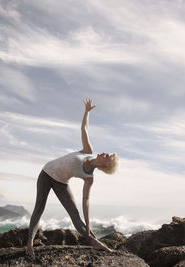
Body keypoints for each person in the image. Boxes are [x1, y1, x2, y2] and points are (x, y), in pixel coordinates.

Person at [26, 98, 119, 257]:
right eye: (108, 153)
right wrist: (87, 112)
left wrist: (88, 224)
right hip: (46, 173)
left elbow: (86, 201)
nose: (105, 153)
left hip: (61, 183)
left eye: (108, 156)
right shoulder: (88, 151)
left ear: (105, 165)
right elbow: (84, 129)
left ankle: (95, 243)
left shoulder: (89, 178)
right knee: (39, 207)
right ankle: (29, 244)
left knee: (75, 215)